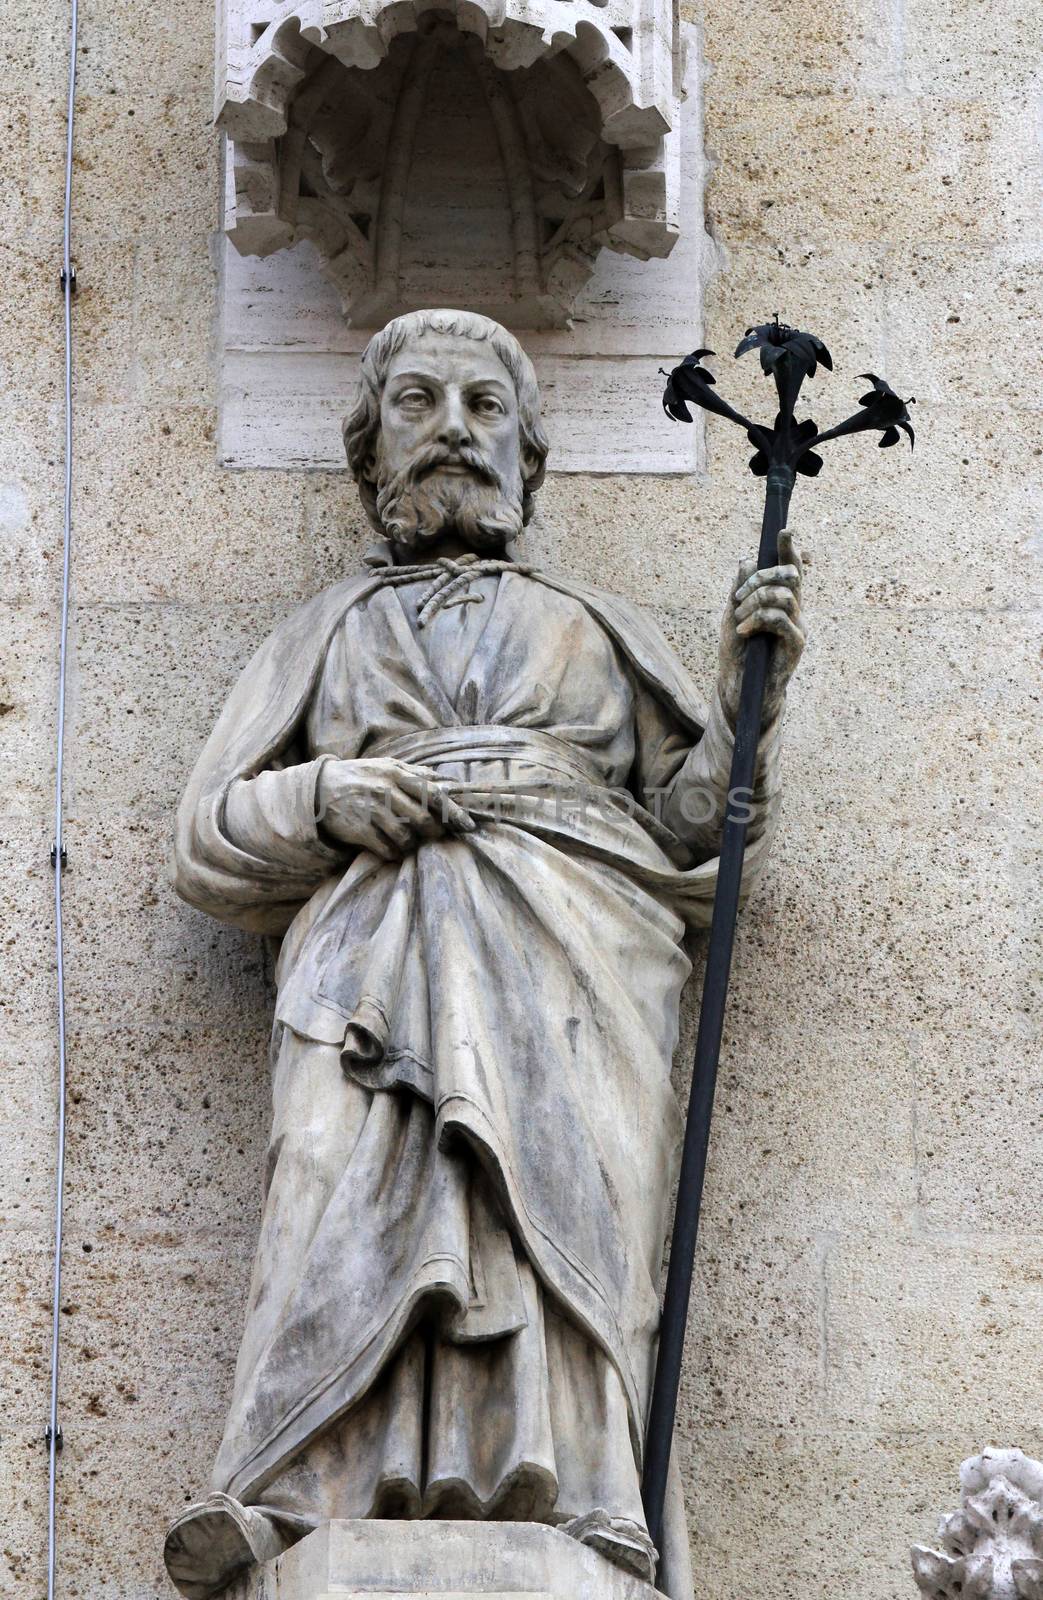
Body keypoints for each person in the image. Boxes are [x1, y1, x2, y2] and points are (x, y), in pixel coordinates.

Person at [165, 309, 805, 1600]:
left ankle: (576, 1486)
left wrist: (750, 705)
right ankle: (295, 1487)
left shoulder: (594, 626)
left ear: (530, 455)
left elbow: (695, 833)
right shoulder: (326, 636)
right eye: (417, 402)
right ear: (370, 453)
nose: (453, 427)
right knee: (332, 1183)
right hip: (371, 960)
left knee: (558, 1203)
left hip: (571, 954)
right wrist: (327, 796)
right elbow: (209, 835)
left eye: (483, 405)